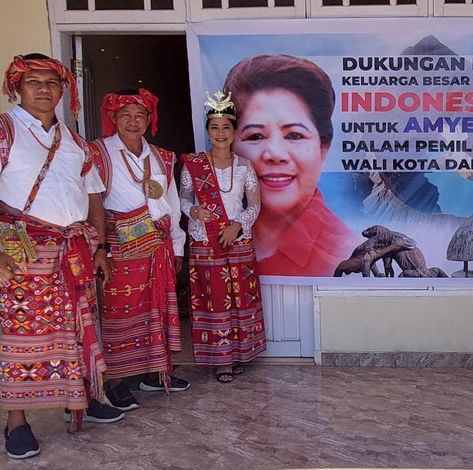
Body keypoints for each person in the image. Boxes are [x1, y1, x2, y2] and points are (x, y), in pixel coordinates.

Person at [0, 54, 123, 459]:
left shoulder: (75, 142)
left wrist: (100, 246)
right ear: (17, 87)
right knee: (21, 338)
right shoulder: (5, 131)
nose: (43, 90)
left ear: (62, 90)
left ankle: (83, 400)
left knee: (76, 329)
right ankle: (16, 422)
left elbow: (93, 197)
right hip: (21, 250)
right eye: (33, 82)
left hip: (73, 249)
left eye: (51, 83)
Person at [89, 87, 190, 412]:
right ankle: (115, 381)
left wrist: (177, 246)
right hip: (119, 248)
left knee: (157, 310)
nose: (133, 122)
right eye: (125, 116)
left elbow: (172, 206)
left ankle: (156, 371)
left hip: (158, 248)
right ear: (113, 118)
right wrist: (99, 248)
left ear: (149, 120)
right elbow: (92, 205)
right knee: (121, 314)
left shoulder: (162, 157)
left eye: (140, 116)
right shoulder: (98, 153)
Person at [223, 54, 357, 277]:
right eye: (255, 136)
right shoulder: (220, 233)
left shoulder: (345, 255)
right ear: (231, 145)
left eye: (294, 135)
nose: (275, 154)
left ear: (323, 148)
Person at [179, 91, 266, 382]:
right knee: (213, 298)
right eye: (214, 128)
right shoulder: (194, 165)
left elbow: (254, 204)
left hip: (237, 240)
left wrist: (237, 226)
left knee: (241, 297)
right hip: (205, 241)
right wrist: (193, 211)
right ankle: (221, 360)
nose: (220, 133)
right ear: (207, 132)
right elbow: (182, 199)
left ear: (234, 132)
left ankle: (241, 352)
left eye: (226, 127)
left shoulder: (244, 166)